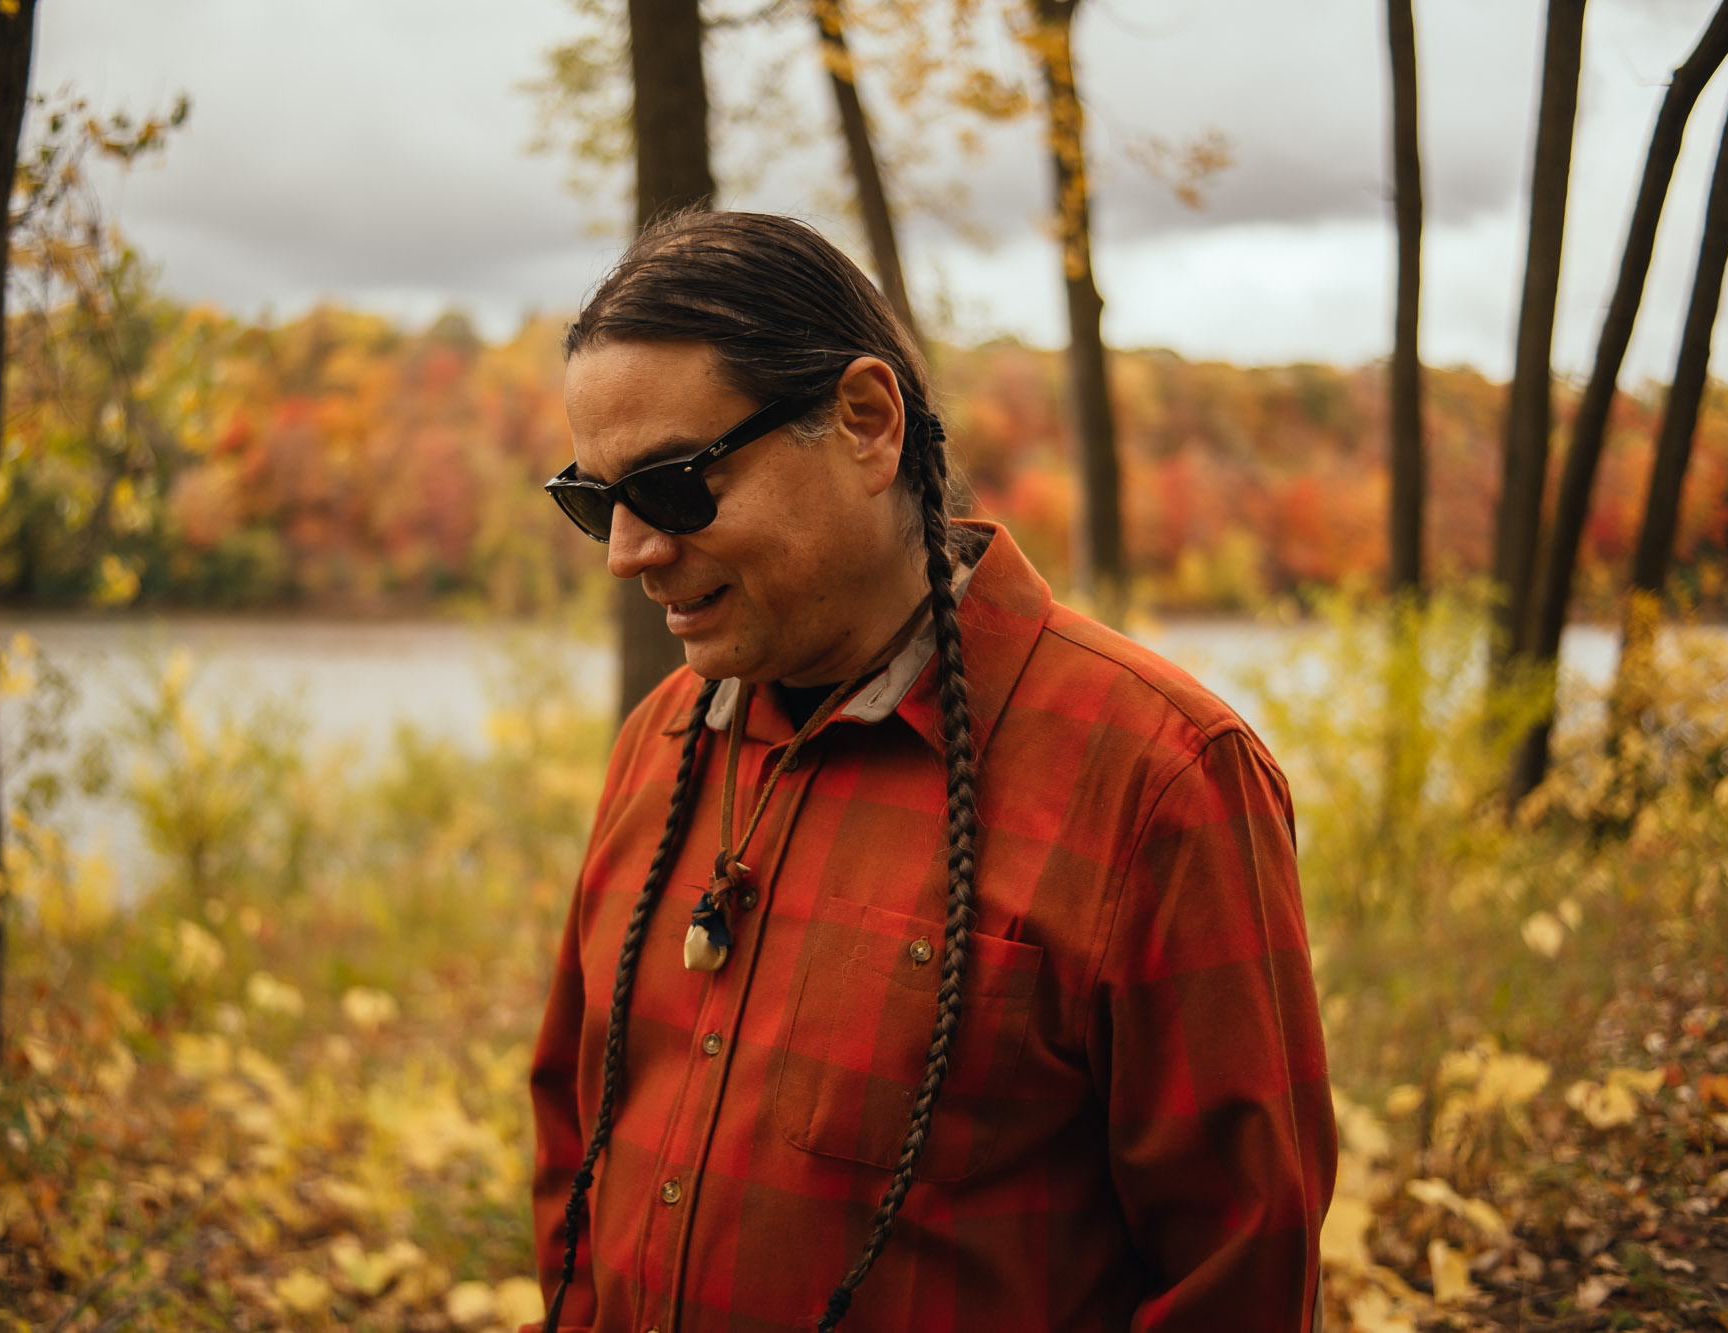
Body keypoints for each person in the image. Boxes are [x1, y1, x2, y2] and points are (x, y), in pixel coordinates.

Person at [527, 210, 1335, 1333]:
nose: (628, 552)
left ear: (865, 423)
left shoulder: (1163, 781)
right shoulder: (660, 743)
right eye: (595, 501)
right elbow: (576, 1149)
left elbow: (1236, 1275)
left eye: (669, 486)